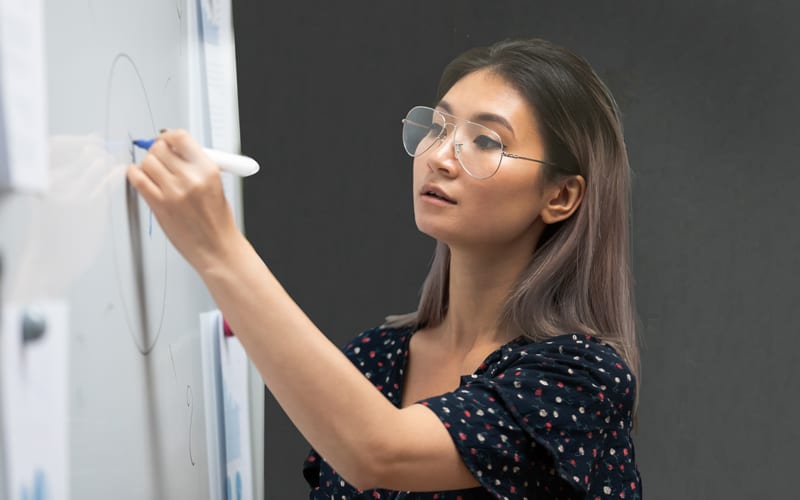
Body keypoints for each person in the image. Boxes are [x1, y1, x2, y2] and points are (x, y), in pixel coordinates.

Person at [128, 37, 641, 499]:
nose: (439, 155)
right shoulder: (376, 359)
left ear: (561, 195)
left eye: (486, 141)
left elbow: (377, 451)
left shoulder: (579, 380)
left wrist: (219, 248)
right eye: (438, 127)